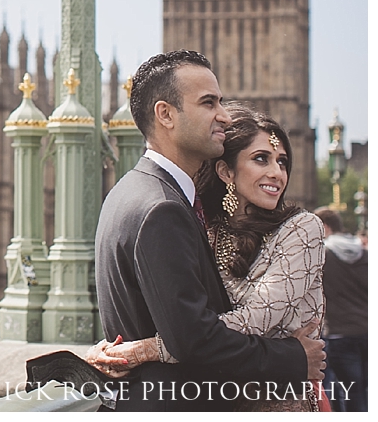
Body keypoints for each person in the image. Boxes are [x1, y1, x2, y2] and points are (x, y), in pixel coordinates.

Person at [92, 50, 324, 410]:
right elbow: (194, 340)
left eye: (282, 161)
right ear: (165, 114)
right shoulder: (163, 208)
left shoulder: (130, 193)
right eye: (208, 102)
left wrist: (134, 348)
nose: (224, 115)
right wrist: (294, 359)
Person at [314, 206, 367, 411]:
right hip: (367, 329)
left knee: (348, 392)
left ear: (325, 227)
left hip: (339, 333)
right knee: (365, 389)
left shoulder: (323, 256)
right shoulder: (364, 253)